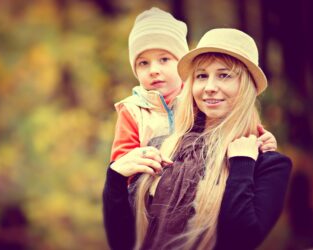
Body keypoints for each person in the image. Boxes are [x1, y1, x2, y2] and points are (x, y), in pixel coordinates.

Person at [103, 28, 292, 250]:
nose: (210, 87)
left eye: (224, 75)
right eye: (202, 76)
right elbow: (123, 243)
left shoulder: (268, 165)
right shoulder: (162, 148)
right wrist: (115, 178)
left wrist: (241, 165)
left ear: (246, 86)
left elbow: (242, 240)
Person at [110, 7, 277, 166]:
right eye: (143, 63)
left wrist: (262, 137)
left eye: (164, 59)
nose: (154, 70)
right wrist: (139, 162)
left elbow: (235, 120)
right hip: (146, 182)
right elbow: (122, 160)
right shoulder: (132, 110)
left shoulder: (196, 97)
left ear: (181, 64)